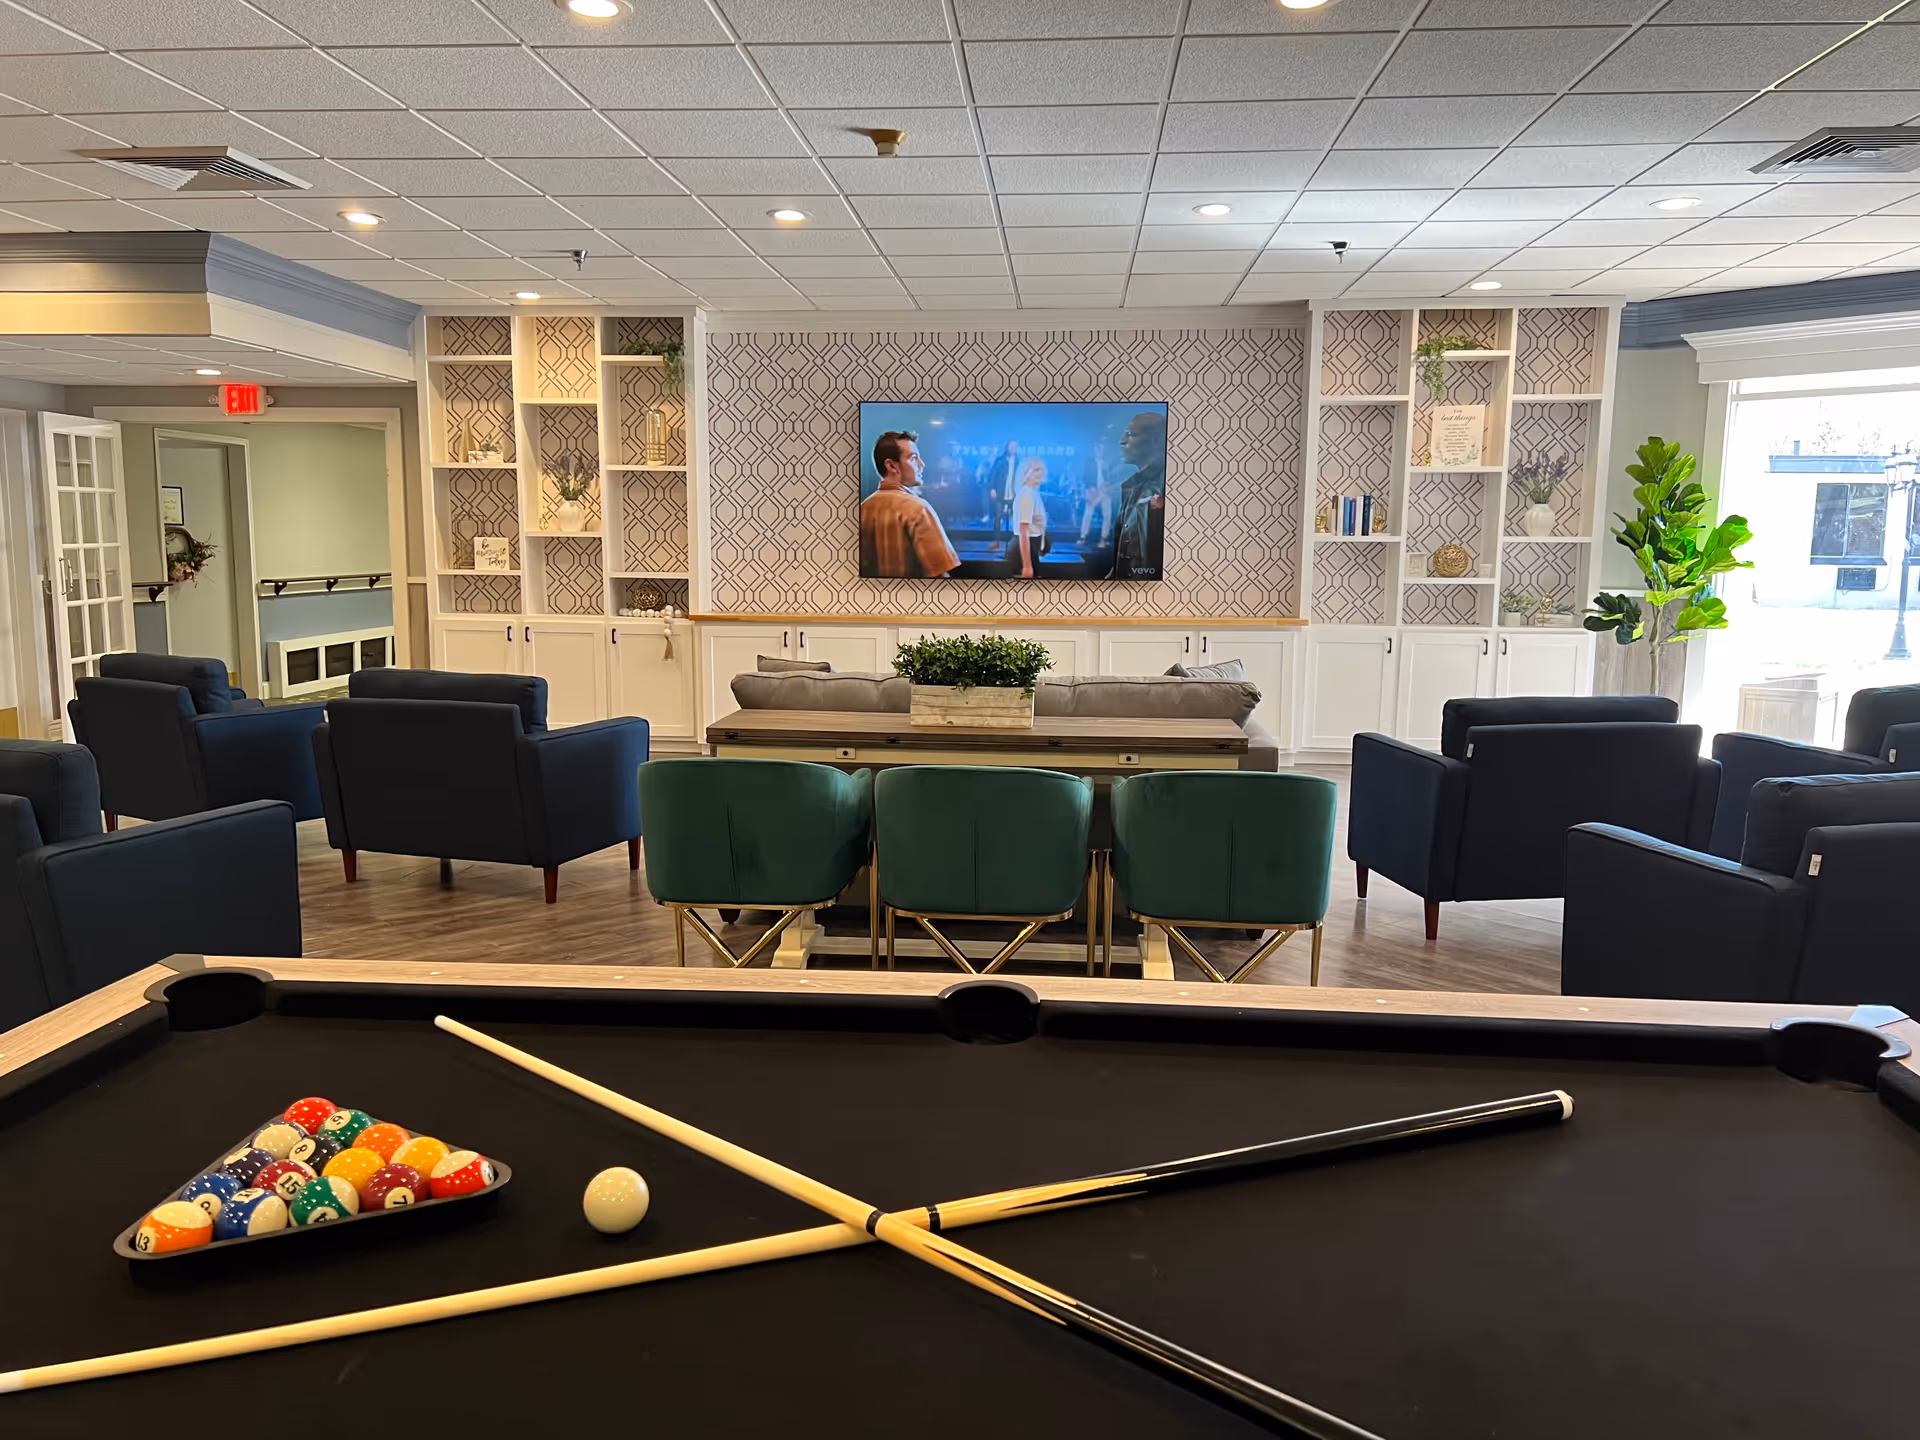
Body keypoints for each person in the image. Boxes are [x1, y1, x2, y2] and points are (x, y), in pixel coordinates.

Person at [859, 429, 959, 579]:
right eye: (913, 458)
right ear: (892, 466)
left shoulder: (863, 508)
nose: (921, 464)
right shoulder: (919, 510)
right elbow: (939, 575)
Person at [1109, 411, 1167, 580]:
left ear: (1154, 441)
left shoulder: (1164, 485)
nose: (1122, 441)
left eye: (1131, 434)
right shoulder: (1132, 486)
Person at [1007, 458, 1050, 579]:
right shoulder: (1027, 495)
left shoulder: (1033, 492)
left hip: (1031, 547)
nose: (1040, 473)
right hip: (1024, 550)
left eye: (1041, 469)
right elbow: (1023, 531)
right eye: (1036, 470)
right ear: (1026, 472)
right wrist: (1027, 566)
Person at [1078, 441, 1113, 549]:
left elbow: (1111, 477)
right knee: (1088, 513)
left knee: (1107, 515)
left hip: (1105, 491)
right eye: (1098, 449)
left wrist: (1108, 485)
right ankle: (1083, 536)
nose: (1100, 451)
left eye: (1102, 449)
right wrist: (1090, 488)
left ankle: (1104, 537)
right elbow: (1085, 477)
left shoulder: (1107, 462)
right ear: (1094, 450)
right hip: (1093, 491)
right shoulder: (1089, 462)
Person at [984, 439, 1019, 543]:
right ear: (1007, 447)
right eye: (1011, 446)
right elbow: (992, 475)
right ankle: (996, 540)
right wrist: (992, 489)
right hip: (1000, 493)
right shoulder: (1000, 460)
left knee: (1016, 518)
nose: (1013, 448)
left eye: (1015, 446)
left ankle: (1015, 541)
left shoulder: (1019, 462)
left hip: (1013, 494)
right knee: (998, 517)